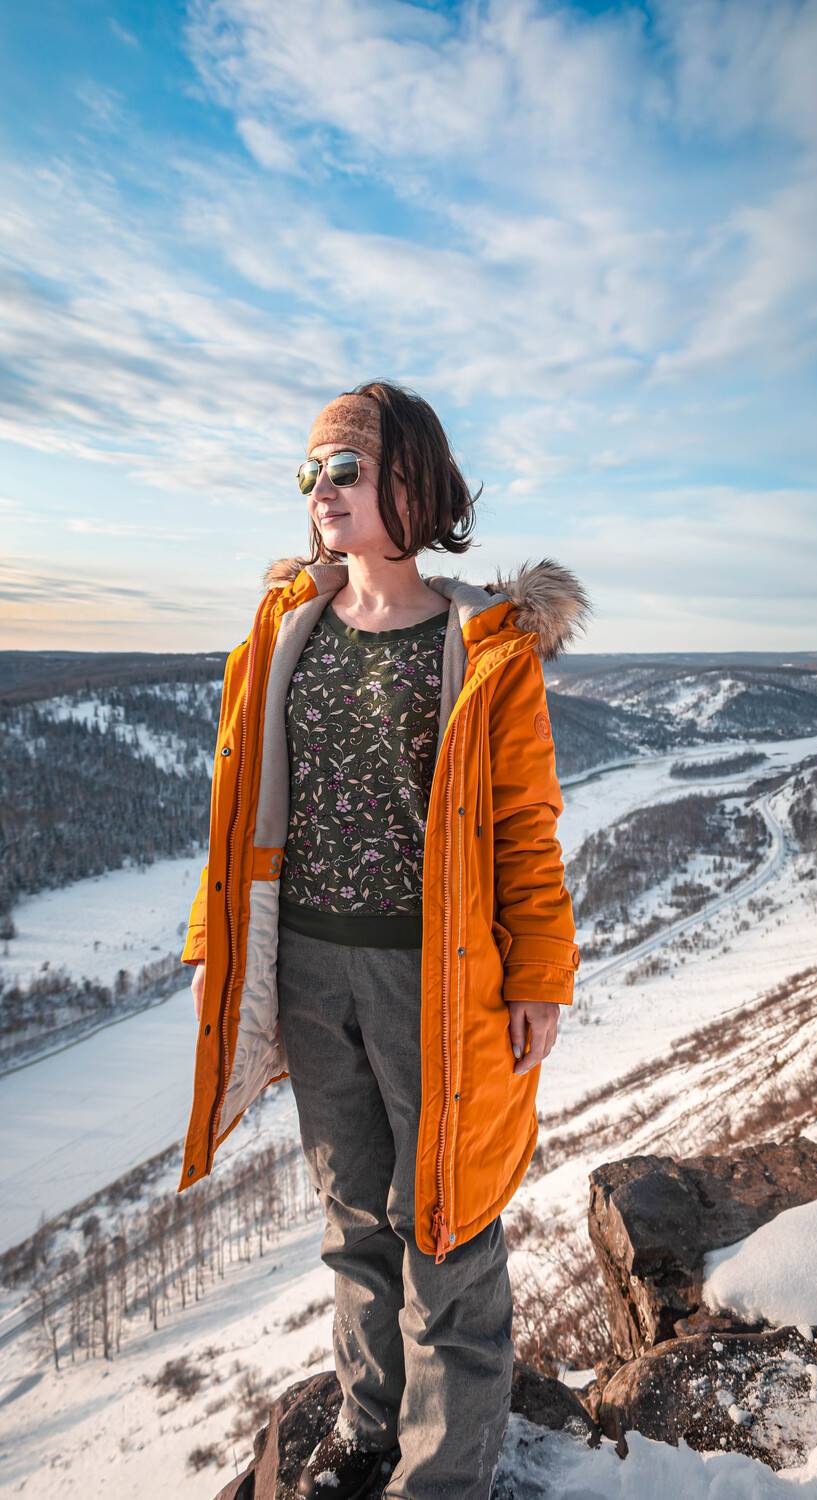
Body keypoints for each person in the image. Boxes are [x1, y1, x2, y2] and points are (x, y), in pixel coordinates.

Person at [181, 381, 590, 1499]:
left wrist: (539, 974)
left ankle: (441, 1475)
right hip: (308, 970)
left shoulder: (483, 645)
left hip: (436, 977)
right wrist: (215, 943)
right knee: (353, 1216)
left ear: (413, 482)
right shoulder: (286, 629)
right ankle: (369, 1432)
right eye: (308, 471)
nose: (321, 490)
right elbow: (237, 807)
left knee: (444, 1223)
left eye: (346, 468)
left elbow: (526, 827)